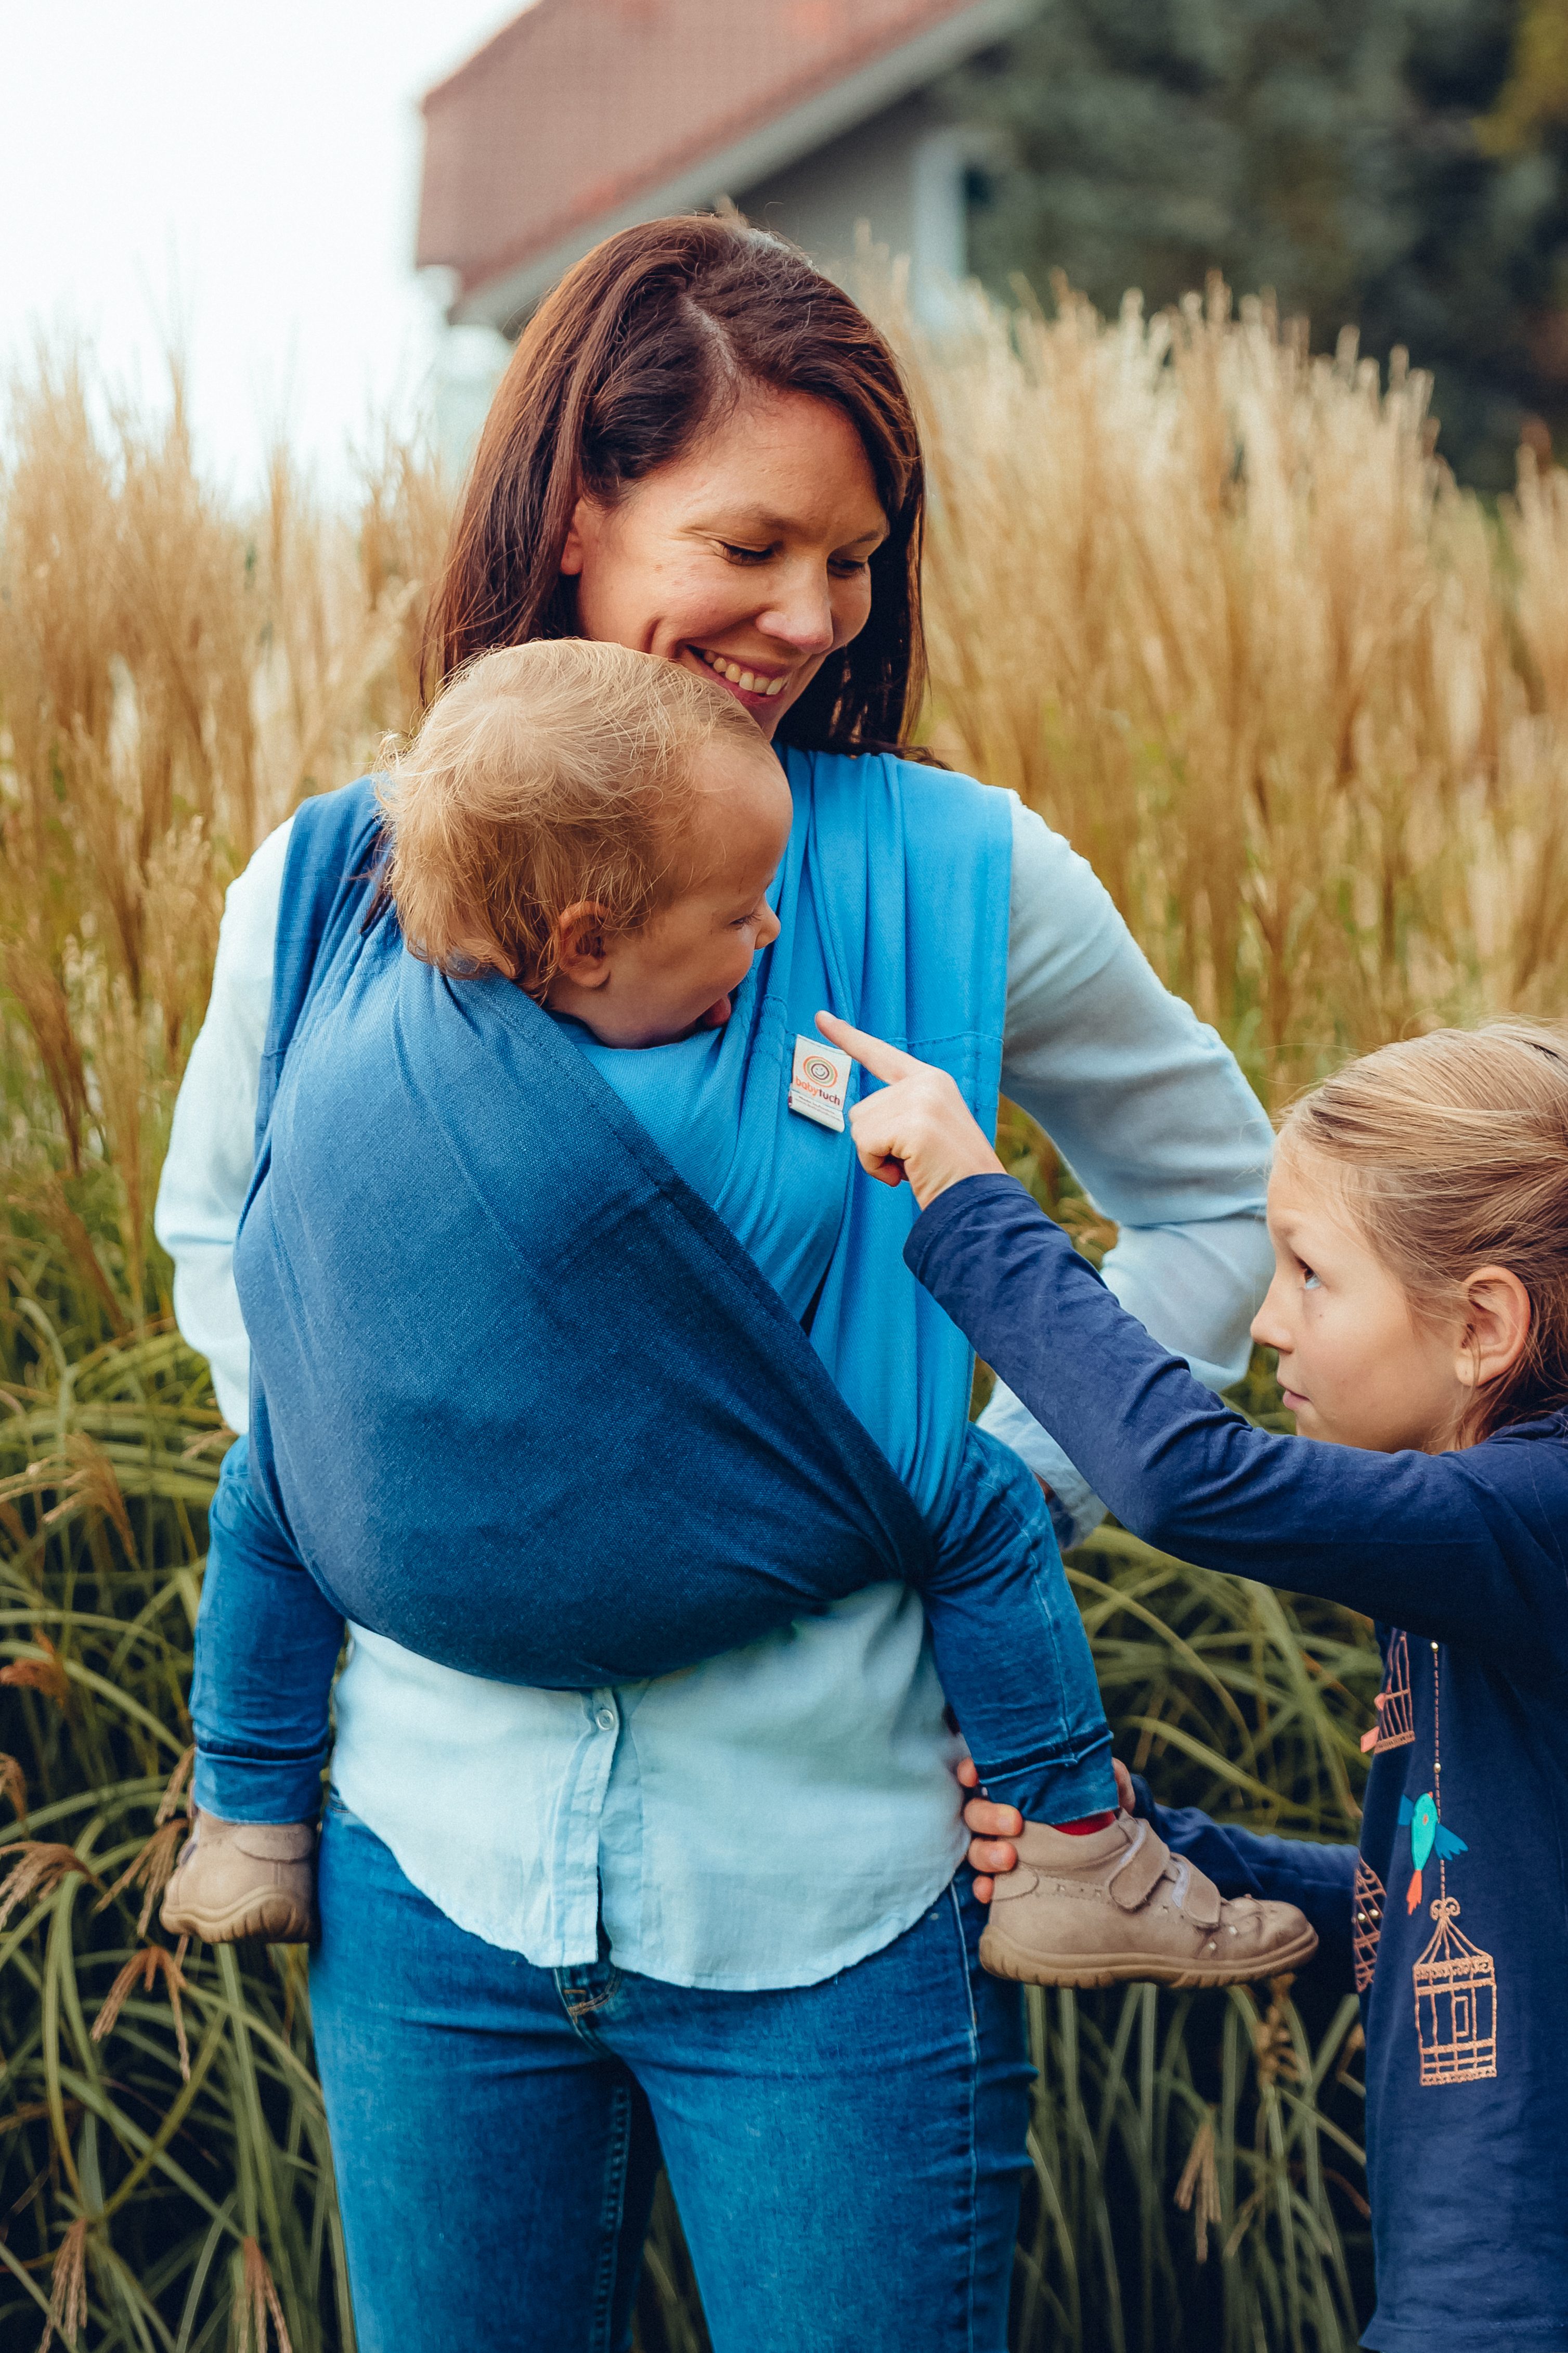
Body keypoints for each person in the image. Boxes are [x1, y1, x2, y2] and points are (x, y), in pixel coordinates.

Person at [154, 216, 1281, 2353]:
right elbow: (225, 1234)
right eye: (751, 543)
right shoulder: (334, 886)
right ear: (576, 508)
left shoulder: (962, 871)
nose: (806, 616)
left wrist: (1007, 1484)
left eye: (850, 562)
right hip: (425, 1865)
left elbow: (1219, 1199)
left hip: (837, 1880)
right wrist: (434, 1470)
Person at [161, 635, 1315, 2003]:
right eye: (738, 918)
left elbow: (242, 1250)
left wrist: (378, 1467)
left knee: (262, 1496)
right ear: (589, 939)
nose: (769, 936)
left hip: (405, 1578)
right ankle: (1076, 1847)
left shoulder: (355, 1026)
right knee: (982, 1509)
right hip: (504, 1815)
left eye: (849, 556)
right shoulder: (717, 1094)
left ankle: (243, 1811)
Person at [826, 1008, 1568, 2353]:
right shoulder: (1494, 1558)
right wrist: (1166, 1843)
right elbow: (1448, 1914)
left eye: (1308, 1272)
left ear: (1484, 1324)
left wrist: (966, 1195)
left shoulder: (1542, 1516)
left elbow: (1186, 1476)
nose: (1268, 1316)